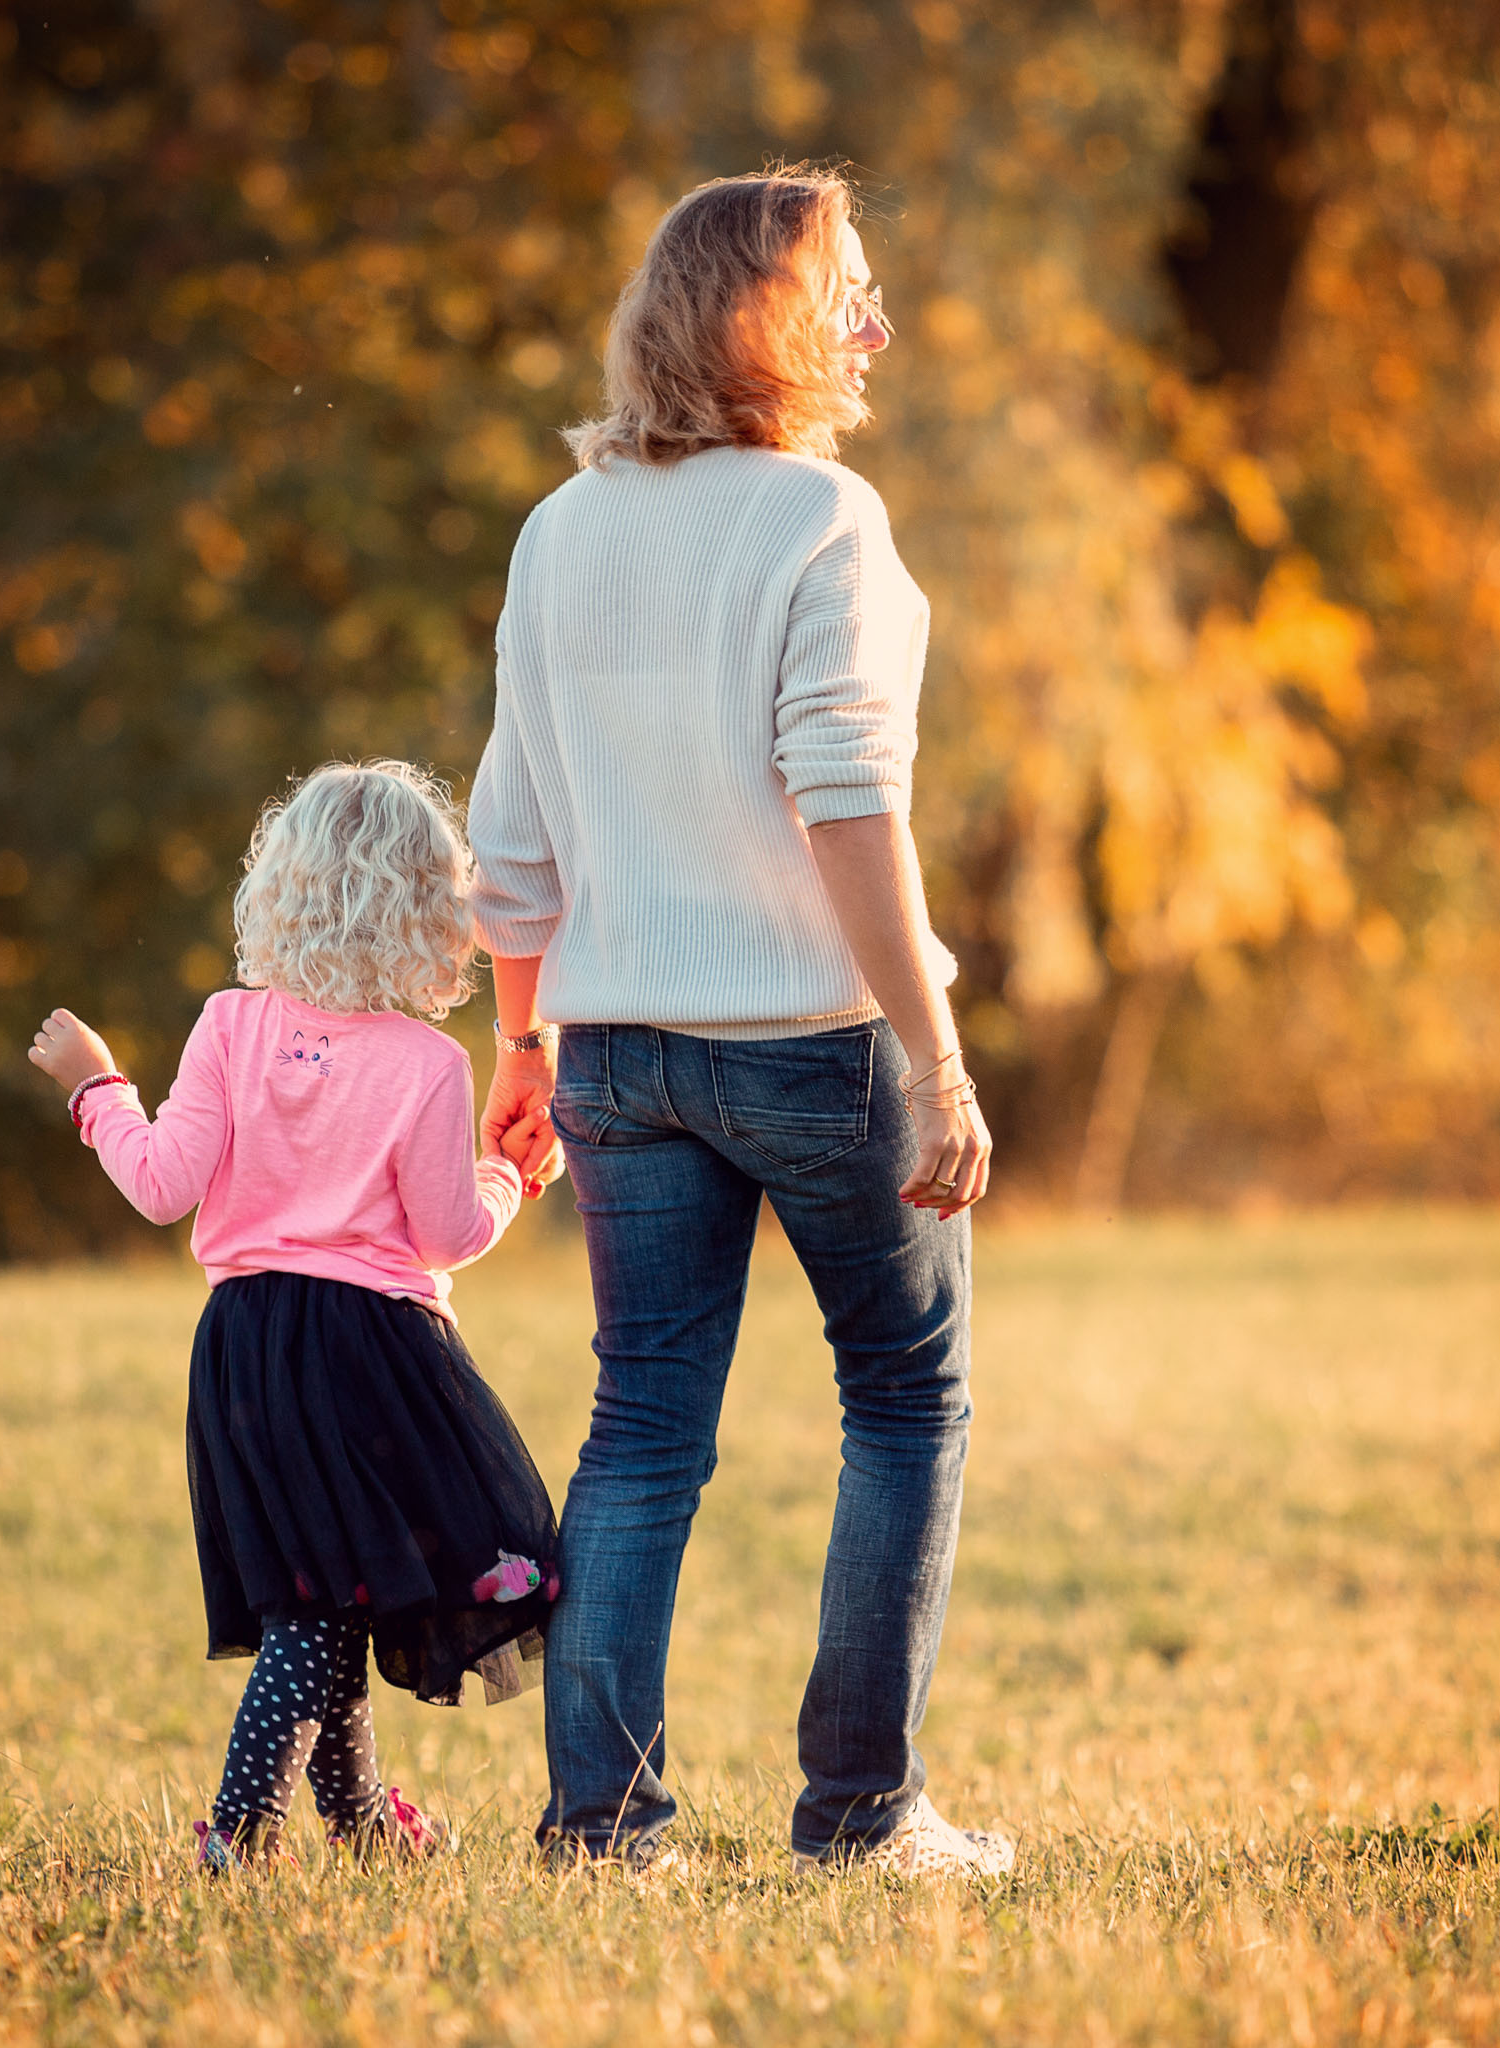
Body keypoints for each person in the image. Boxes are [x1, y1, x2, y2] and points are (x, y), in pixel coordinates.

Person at [469, 169, 1007, 1877]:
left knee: (640, 1423)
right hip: (803, 1039)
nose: (871, 324)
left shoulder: (559, 529)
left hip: (618, 1048)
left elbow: (511, 832)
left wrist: (523, 1040)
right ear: (766, 321)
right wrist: (936, 1059)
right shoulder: (818, 521)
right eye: (844, 289)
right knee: (906, 1396)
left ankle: (600, 1826)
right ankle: (860, 1814)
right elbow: (848, 799)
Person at [26, 759, 563, 1872]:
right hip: (371, 1359)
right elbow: (449, 1234)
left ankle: (361, 1815)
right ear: (430, 910)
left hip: (248, 1354)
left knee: (329, 1586)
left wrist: (97, 1091)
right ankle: (242, 1823)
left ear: (283, 887)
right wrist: (513, 1177)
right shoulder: (424, 1060)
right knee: (327, 1601)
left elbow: (164, 1184)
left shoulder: (230, 1025)